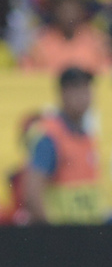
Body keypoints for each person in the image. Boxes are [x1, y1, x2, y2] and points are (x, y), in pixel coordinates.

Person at [24, 67, 105, 224]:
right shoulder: (50, 136)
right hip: (63, 234)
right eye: (77, 89)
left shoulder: (87, 135)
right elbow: (32, 195)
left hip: (87, 232)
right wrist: (54, 232)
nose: (84, 96)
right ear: (63, 93)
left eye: (87, 89)